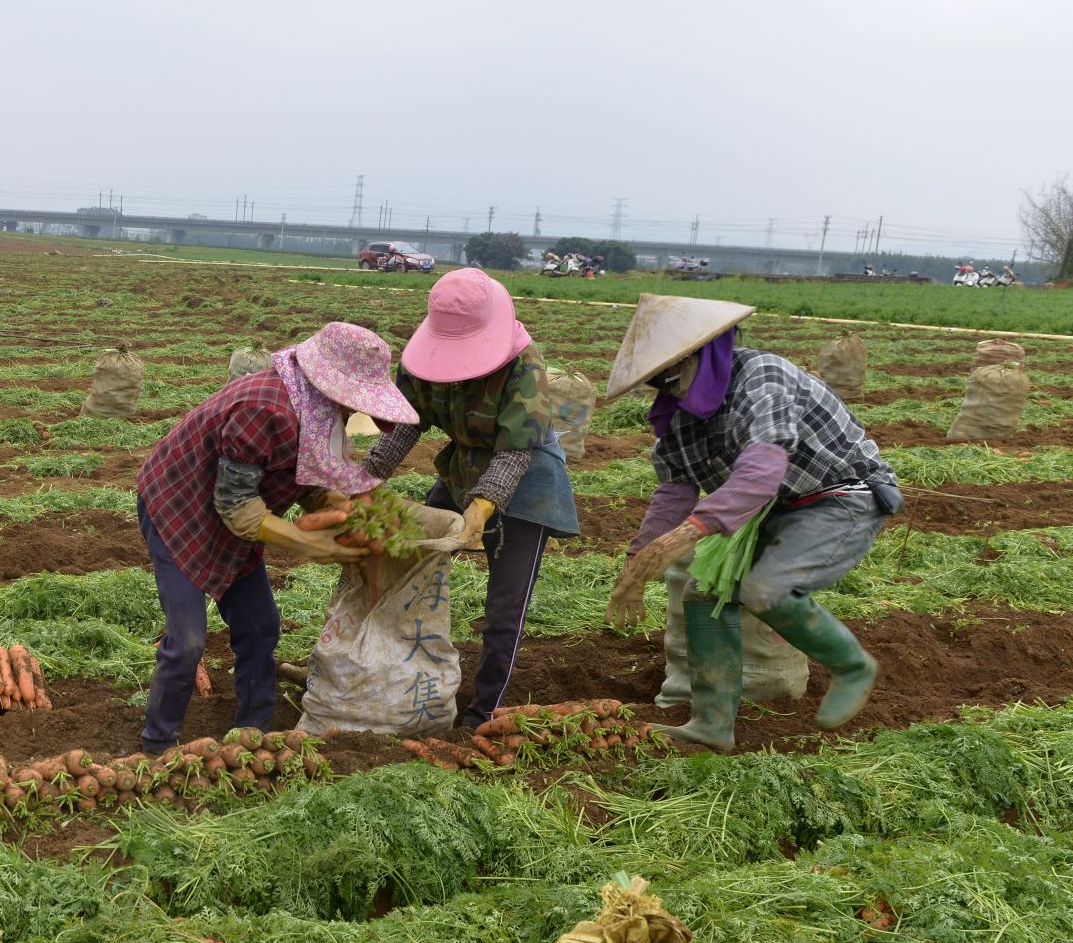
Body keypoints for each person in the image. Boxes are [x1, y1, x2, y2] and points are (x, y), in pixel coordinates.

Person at [602, 294, 903, 750]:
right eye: (657, 380)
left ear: (704, 352)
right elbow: (674, 493)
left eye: (674, 373)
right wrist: (638, 562)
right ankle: (711, 725)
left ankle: (851, 664)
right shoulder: (680, 419)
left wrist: (688, 534)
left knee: (766, 589)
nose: (670, 388)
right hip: (777, 509)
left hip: (841, 497)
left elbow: (762, 471)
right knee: (705, 593)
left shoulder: (762, 377)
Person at [135, 321, 417, 753]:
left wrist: (343, 508)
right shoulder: (265, 410)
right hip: (182, 509)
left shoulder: (316, 410)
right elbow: (236, 506)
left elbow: (304, 476)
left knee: (261, 626)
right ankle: (157, 745)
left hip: (238, 515)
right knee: (188, 641)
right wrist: (309, 544)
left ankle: (254, 734)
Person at [362, 268, 580, 728]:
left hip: (526, 478)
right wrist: (367, 476)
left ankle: (482, 713)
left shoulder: (524, 365)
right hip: (462, 469)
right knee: (405, 559)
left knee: (505, 606)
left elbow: (515, 449)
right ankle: (370, 667)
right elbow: (406, 423)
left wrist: (482, 507)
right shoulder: (422, 361)